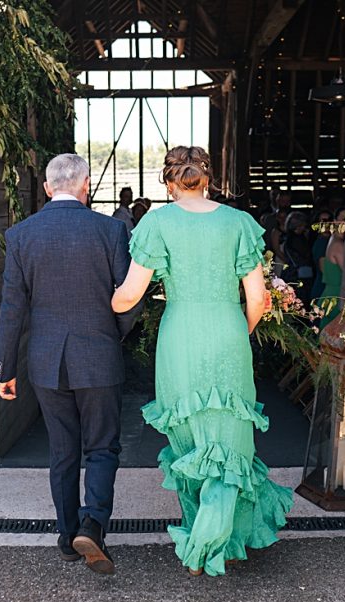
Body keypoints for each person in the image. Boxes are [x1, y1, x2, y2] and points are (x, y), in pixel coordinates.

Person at [111, 146, 294, 577]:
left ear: (169, 182)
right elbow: (257, 300)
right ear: (208, 178)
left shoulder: (156, 223)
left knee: (189, 443)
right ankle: (220, 541)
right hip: (227, 333)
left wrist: (102, 299)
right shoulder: (238, 223)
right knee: (231, 445)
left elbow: (129, 296)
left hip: (181, 339)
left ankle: (203, 539)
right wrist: (235, 333)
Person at [0, 153, 141, 575]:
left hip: (46, 362)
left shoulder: (21, 235)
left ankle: (66, 535)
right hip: (99, 355)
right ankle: (93, 523)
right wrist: (113, 335)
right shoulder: (110, 230)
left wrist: (4, 369)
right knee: (102, 446)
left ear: (46, 188)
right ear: (86, 185)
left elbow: (12, 309)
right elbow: (129, 299)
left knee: (62, 450)